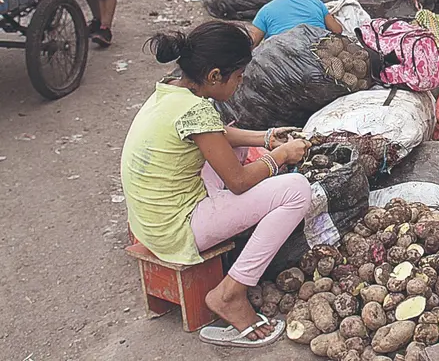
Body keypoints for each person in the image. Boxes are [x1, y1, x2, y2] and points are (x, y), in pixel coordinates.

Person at [121, 21, 312, 347]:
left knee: (235, 147)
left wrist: (265, 137)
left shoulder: (172, 91)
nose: (241, 82)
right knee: (297, 191)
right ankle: (229, 294)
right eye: (238, 76)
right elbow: (237, 183)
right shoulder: (196, 111)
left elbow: (217, 135)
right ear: (214, 76)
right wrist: (280, 156)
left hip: (150, 219)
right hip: (175, 229)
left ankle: (226, 225)